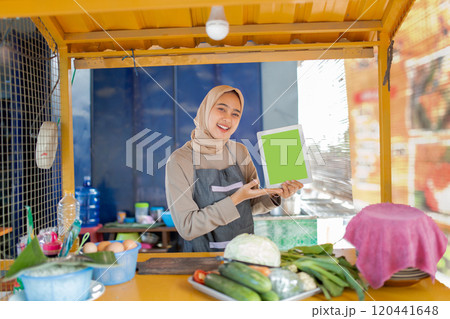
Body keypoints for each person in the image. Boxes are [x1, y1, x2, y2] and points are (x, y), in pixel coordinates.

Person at [165, 85, 303, 252]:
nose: (228, 119)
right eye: (221, 109)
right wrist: (235, 199)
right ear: (205, 110)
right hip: (201, 261)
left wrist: (276, 193)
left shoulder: (239, 151)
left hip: (244, 255)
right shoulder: (180, 160)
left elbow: (251, 204)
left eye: (235, 114)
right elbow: (187, 227)